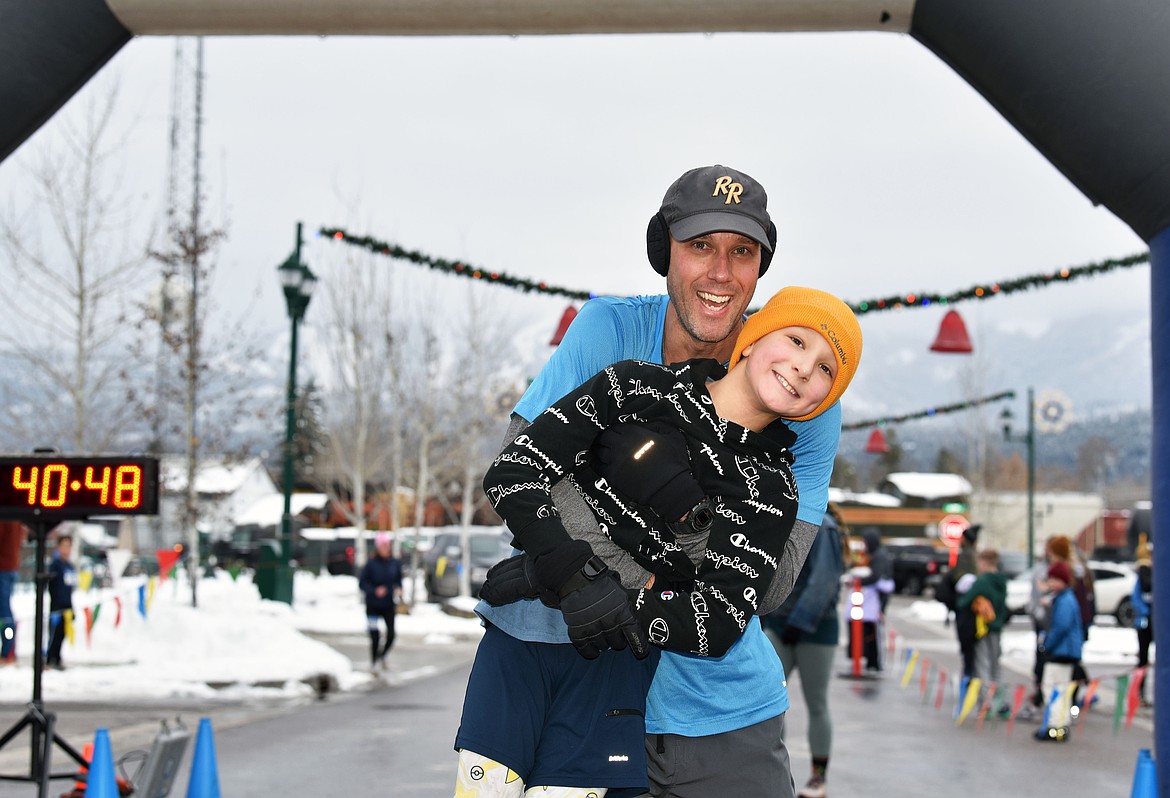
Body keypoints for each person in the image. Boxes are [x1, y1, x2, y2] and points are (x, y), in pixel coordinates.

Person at [453, 165, 845, 798]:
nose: (721, 272)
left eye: (742, 252)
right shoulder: (615, 339)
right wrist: (588, 577)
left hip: (716, 709)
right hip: (574, 663)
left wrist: (579, 566)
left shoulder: (802, 393)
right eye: (701, 247)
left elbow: (768, 586)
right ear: (667, 254)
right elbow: (519, 468)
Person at [762, 504, 848, 798]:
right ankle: (775, 773)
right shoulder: (783, 516)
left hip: (815, 629)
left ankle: (818, 779)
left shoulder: (824, 526)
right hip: (778, 623)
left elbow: (824, 581)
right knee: (769, 703)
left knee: (817, 703)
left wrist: (799, 621)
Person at [1033, 560, 1083, 743]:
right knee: (1060, 689)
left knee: (1053, 689)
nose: (1052, 583)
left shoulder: (1065, 600)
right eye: (1050, 579)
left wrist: (1047, 645)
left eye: (1056, 579)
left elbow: (1060, 627)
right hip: (1065, 651)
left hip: (1061, 652)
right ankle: (1059, 725)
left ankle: (1056, 727)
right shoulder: (1062, 598)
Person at [956, 548, 1008, 714]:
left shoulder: (982, 581)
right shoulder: (1002, 581)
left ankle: (986, 703)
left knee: (983, 665)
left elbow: (964, 602)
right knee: (995, 666)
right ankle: (999, 701)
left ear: (984, 562)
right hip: (997, 627)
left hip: (982, 627)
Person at [358, 531, 404, 671]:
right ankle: (374, 662)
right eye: (383, 545)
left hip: (388, 604)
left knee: (391, 634)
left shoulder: (394, 563)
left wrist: (400, 589)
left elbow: (398, 580)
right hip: (372, 605)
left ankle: (382, 656)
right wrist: (374, 590)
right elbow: (362, 583)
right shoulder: (371, 564)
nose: (386, 548)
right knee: (375, 635)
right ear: (378, 547)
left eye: (387, 545)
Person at [849, 527, 893, 672]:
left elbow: (875, 577)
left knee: (872, 633)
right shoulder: (875, 554)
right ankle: (871, 662)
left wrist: (857, 581)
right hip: (873, 602)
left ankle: (874, 663)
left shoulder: (879, 556)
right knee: (869, 632)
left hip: (876, 602)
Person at [45, 533, 76, 671]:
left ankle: (57, 657)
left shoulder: (70, 566)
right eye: (63, 546)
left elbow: (70, 589)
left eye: (68, 546)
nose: (66, 549)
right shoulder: (55, 565)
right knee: (54, 634)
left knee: (62, 634)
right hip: (56, 606)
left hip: (67, 605)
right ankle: (49, 659)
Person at [0, 521, 26, 665]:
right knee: (6, 612)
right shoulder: (16, 516)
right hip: (11, 566)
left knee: (5, 614)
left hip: (3, 567)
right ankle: (8, 649)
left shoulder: (5, 515)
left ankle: (7, 650)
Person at [1131, 537, 1153, 706]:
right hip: (1145, 622)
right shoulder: (1143, 574)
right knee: (1143, 659)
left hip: (1151, 621)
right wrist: (1146, 612)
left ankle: (1141, 693)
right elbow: (1136, 598)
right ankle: (1139, 693)